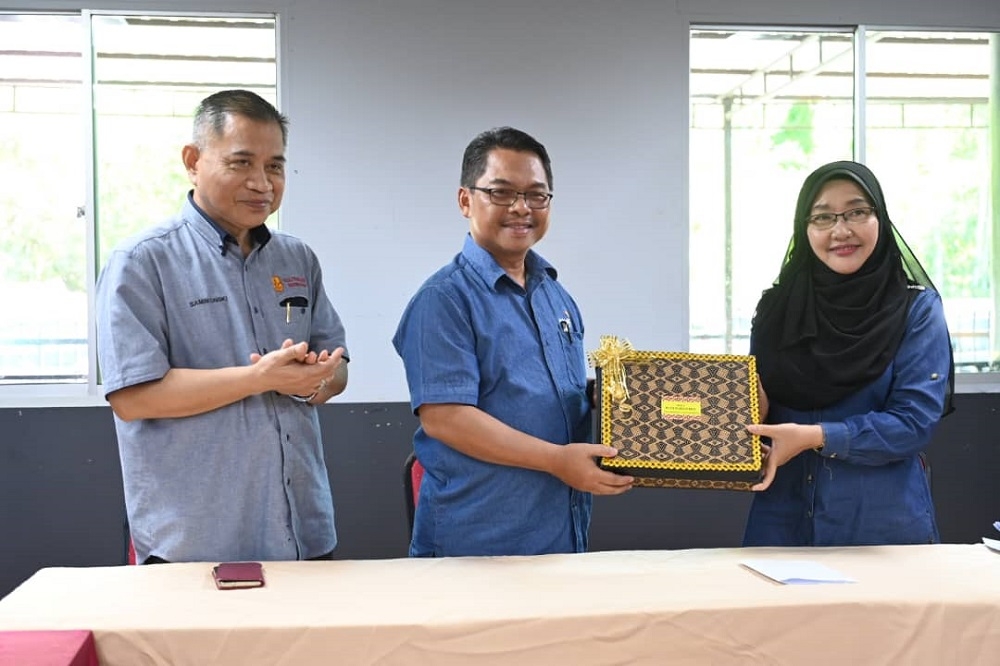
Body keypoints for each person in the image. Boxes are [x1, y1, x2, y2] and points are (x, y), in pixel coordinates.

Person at [96, 89, 349, 564]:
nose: (262, 183)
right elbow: (133, 398)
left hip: (303, 532)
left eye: (275, 166)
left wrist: (313, 379)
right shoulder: (142, 262)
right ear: (193, 161)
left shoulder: (296, 257)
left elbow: (337, 370)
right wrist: (261, 379)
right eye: (241, 163)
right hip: (196, 542)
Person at [392, 126, 633, 557]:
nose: (521, 208)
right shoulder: (443, 300)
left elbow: (550, 393)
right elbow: (445, 418)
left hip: (559, 534)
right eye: (501, 193)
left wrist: (608, 399)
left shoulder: (555, 295)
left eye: (536, 195)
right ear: (466, 200)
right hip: (476, 543)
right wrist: (557, 461)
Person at [743, 160, 954, 547]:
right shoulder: (775, 309)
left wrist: (816, 436)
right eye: (822, 217)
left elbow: (913, 424)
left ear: (880, 218)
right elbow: (758, 411)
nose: (841, 230)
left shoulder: (915, 310)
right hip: (781, 524)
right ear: (804, 229)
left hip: (881, 528)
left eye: (857, 211)